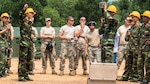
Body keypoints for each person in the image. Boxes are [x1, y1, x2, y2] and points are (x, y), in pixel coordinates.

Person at [120, 11, 141, 82]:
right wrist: (127, 35)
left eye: (132, 18)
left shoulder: (140, 27)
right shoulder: (130, 28)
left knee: (135, 63)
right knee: (128, 63)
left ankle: (135, 77)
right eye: (130, 18)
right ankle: (125, 76)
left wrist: (139, 48)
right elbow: (126, 39)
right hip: (129, 48)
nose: (131, 19)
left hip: (136, 49)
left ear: (137, 18)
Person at [18, 4, 36, 81]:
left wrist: (32, 35)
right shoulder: (23, 21)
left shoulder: (30, 23)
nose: (32, 14)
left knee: (29, 60)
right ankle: (21, 76)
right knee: (23, 60)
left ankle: (26, 75)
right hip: (24, 43)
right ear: (27, 13)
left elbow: (29, 32)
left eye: (32, 13)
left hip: (29, 43)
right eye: (31, 13)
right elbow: (20, 16)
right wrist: (24, 9)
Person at [137, 10, 150, 84]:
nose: (143, 18)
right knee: (139, 64)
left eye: (144, 17)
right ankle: (141, 78)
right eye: (143, 17)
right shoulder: (141, 26)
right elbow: (138, 37)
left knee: (147, 65)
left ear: (148, 18)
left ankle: (146, 79)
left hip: (148, 49)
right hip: (141, 48)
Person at [0, 13, 11, 78]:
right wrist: (6, 29)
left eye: (7, 18)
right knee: (1, 59)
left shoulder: (6, 26)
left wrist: (8, 30)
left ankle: (3, 72)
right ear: (1, 18)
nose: (6, 19)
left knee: (5, 59)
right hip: (0, 43)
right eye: (5, 18)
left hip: (5, 44)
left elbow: (7, 37)